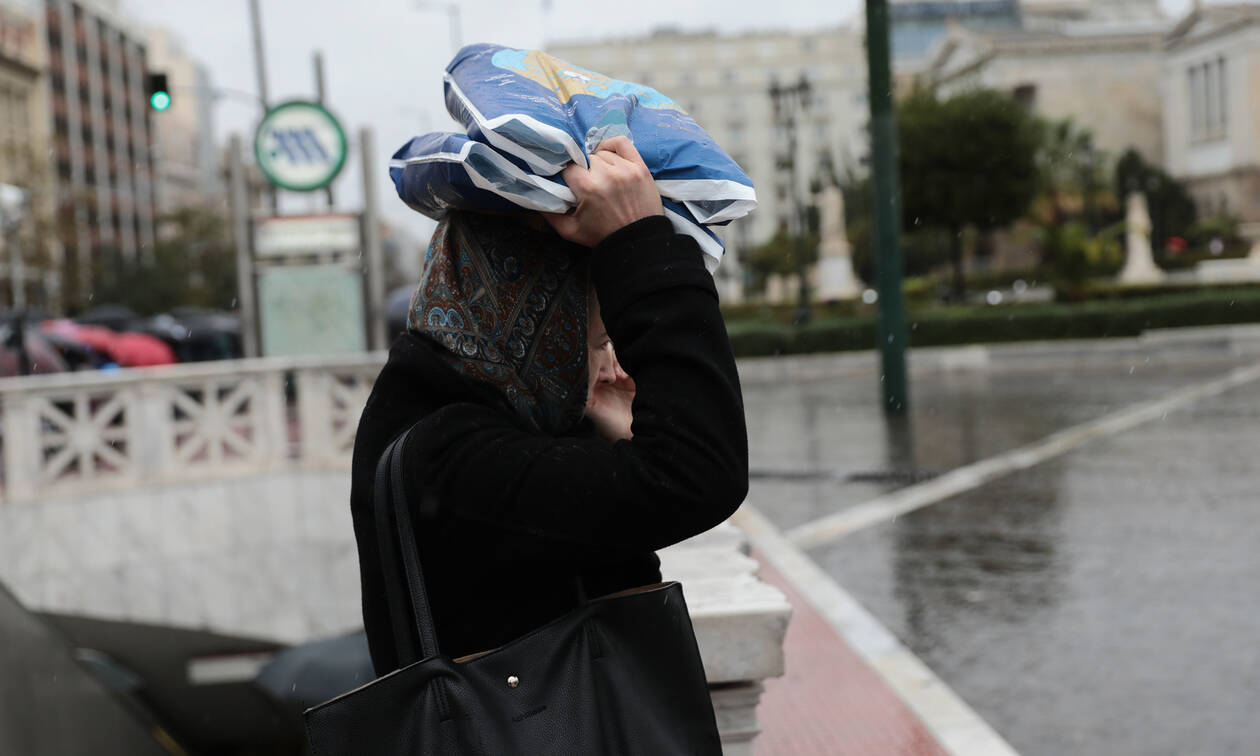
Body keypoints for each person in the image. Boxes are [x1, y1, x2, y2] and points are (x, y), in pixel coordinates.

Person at [350, 136, 748, 672]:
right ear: (541, 326)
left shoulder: (451, 403)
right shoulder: (451, 459)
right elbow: (699, 475)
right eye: (598, 343)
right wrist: (639, 242)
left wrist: (619, 437)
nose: (610, 367)